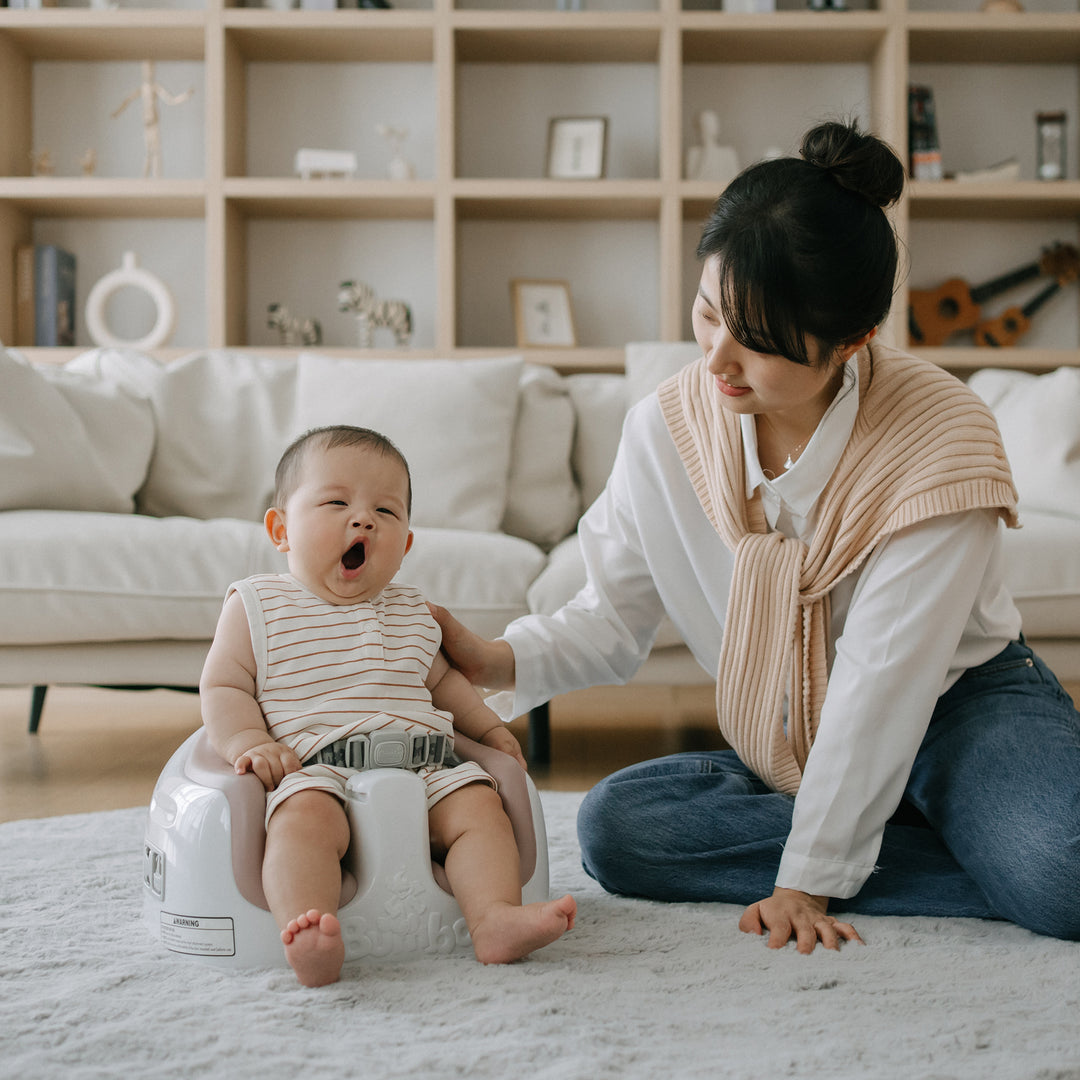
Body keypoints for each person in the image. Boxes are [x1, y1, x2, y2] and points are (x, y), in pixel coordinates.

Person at [432, 119, 1080, 953]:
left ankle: (940, 838)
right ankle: (957, 847)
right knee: (616, 828)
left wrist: (808, 880)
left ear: (853, 342)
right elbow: (609, 615)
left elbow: (884, 681)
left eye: (760, 343)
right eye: (708, 315)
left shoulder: (939, 439)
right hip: (792, 734)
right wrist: (496, 661)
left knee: (1065, 871)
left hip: (963, 709)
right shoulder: (667, 428)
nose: (717, 361)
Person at [200, 425, 575, 986]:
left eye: (386, 511)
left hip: (426, 764)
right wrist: (250, 742)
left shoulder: (412, 612)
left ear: (405, 545)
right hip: (315, 767)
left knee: (481, 809)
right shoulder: (258, 604)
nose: (363, 519)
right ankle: (308, 928)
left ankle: (494, 918)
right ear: (281, 529)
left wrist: (489, 730)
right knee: (302, 826)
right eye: (336, 502)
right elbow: (224, 686)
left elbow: (447, 685)